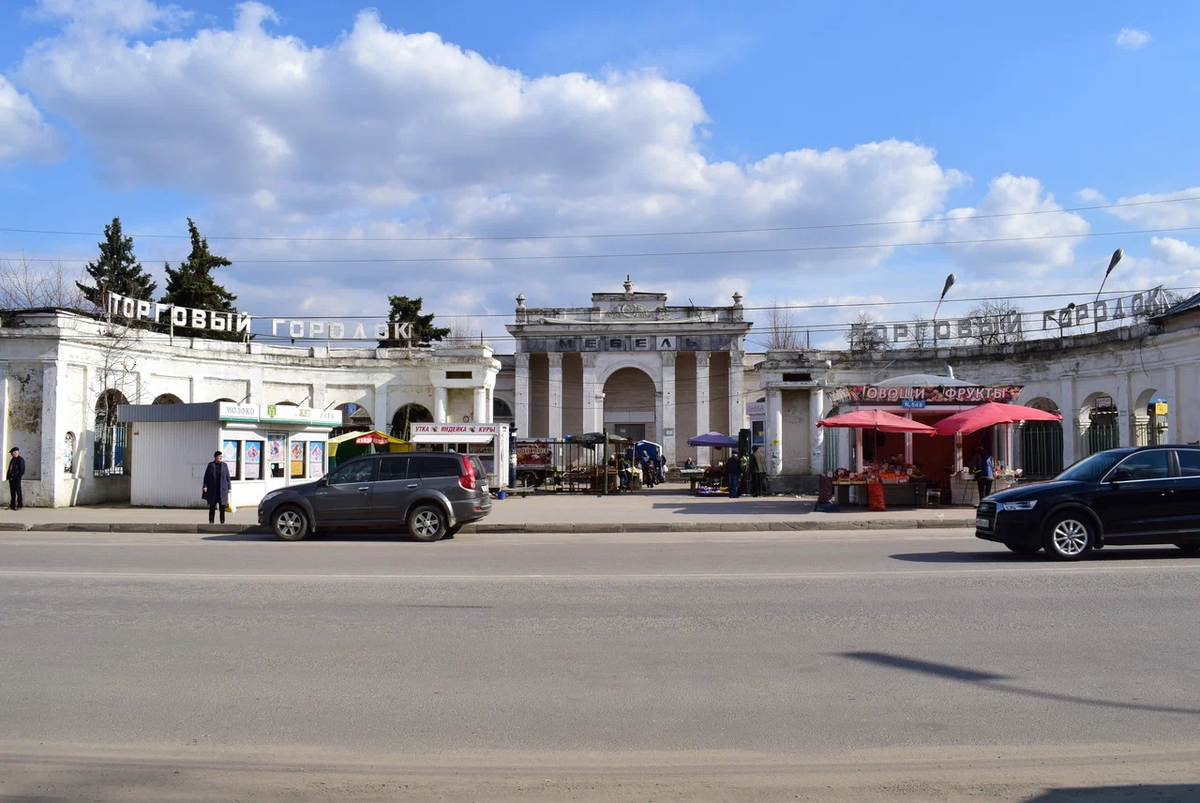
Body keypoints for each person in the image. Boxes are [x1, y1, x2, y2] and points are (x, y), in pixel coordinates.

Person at [202, 449, 232, 524]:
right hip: (213, 489)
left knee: (222, 507)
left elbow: (228, 477)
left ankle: (222, 521)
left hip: (222, 489)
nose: (220, 458)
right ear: (215, 457)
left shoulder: (224, 465)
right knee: (212, 506)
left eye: (221, 457)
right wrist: (205, 486)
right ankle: (211, 521)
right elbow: (206, 477)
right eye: (219, 457)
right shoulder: (210, 465)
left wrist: (229, 487)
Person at [7, 446, 25, 510]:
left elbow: (21, 470)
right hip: (11, 479)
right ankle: (12, 505)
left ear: (16, 453)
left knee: (18, 492)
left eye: (12, 453)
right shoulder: (13, 459)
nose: (11, 454)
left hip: (16, 479)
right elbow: (10, 468)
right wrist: (8, 476)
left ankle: (19, 505)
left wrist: (17, 477)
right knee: (12, 492)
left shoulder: (20, 460)